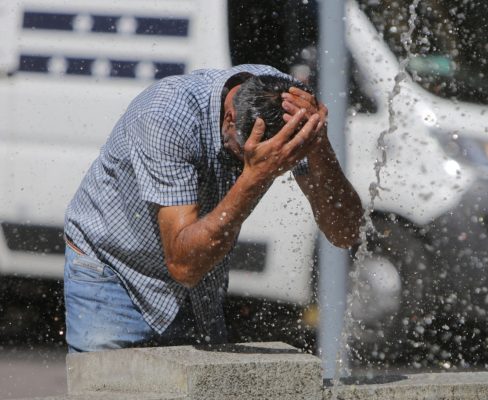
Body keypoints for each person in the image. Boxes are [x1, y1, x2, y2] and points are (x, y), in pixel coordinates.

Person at [63, 64, 363, 352]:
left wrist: (319, 144)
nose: (272, 168)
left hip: (198, 279)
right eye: (241, 156)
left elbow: (345, 234)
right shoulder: (164, 117)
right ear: (230, 119)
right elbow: (184, 265)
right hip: (114, 274)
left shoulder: (290, 108)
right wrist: (255, 176)